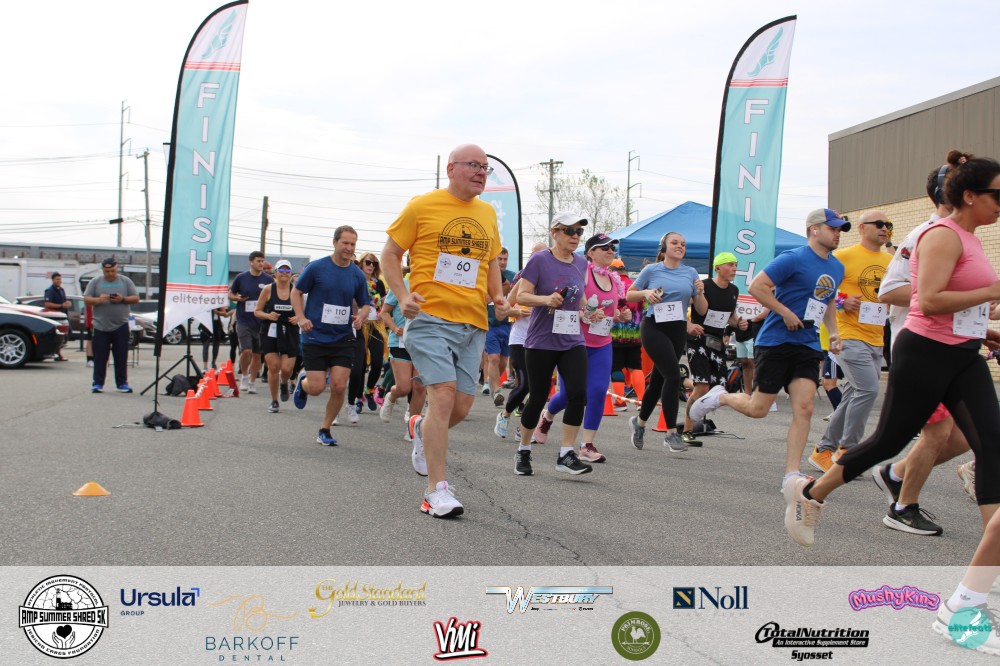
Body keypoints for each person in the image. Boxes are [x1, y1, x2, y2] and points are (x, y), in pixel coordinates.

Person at [783, 158, 1000, 551]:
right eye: (997, 195)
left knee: (991, 443)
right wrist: (992, 291)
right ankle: (811, 494)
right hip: (926, 353)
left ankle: (994, 551)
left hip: (964, 353)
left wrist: (983, 329)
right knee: (888, 440)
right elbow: (928, 301)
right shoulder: (940, 236)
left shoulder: (971, 238)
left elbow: (960, 301)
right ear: (969, 196)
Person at [381, 143, 509, 519]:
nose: (482, 172)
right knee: (442, 394)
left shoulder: (486, 212)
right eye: (474, 165)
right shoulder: (422, 205)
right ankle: (435, 492)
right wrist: (402, 295)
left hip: (473, 322)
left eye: (486, 167)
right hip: (430, 319)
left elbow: (490, 261)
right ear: (451, 169)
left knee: (461, 407)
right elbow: (390, 254)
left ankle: (421, 428)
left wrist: (498, 297)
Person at [689, 209, 847, 501]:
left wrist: (834, 332)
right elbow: (757, 286)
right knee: (758, 409)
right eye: (833, 228)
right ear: (814, 229)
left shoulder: (837, 267)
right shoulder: (793, 258)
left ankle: (791, 475)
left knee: (805, 408)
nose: (838, 234)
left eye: (840, 230)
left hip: (808, 344)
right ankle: (721, 397)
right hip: (776, 342)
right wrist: (784, 312)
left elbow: (827, 300)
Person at [871, 151, 976, 536]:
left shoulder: (962, 236)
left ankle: (895, 473)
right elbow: (889, 291)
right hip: (919, 346)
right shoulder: (924, 235)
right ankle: (902, 506)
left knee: (963, 436)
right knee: (936, 432)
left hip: (952, 348)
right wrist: (940, 292)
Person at [808, 211, 892, 472]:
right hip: (848, 335)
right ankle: (849, 451)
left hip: (876, 337)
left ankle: (823, 450)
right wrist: (844, 301)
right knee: (868, 390)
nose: (885, 229)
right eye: (879, 224)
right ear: (863, 228)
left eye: (888, 225)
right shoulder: (843, 257)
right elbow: (820, 288)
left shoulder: (890, 261)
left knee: (854, 392)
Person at [511, 213, 593, 476]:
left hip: (572, 339)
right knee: (537, 397)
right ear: (554, 232)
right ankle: (524, 450)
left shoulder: (582, 262)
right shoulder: (539, 260)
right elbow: (522, 295)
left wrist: (587, 311)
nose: (575, 236)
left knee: (578, 394)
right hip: (541, 340)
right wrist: (546, 299)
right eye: (569, 231)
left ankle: (566, 454)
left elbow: (579, 296)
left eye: (579, 232)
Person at [544, 233, 632, 463]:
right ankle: (547, 415)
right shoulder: (581, 274)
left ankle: (586, 445)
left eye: (612, 247)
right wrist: (586, 314)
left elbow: (613, 312)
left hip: (602, 343)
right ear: (591, 252)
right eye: (604, 247)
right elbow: (569, 302)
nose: (610, 251)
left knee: (598, 391)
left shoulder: (614, 279)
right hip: (576, 342)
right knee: (570, 395)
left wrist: (622, 316)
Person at [626, 231, 707, 452]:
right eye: (675, 243)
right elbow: (629, 295)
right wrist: (646, 293)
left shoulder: (691, 272)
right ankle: (671, 433)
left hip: (678, 329)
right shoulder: (652, 270)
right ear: (664, 247)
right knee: (673, 375)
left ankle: (639, 423)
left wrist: (700, 293)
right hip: (654, 327)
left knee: (659, 381)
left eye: (683, 244)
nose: (680, 246)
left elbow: (702, 310)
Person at [291, 227, 371, 446]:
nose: (349, 248)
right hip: (315, 336)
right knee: (317, 388)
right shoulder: (317, 268)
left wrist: (361, 316)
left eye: (353, 244)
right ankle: (304, 383)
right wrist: (301, 317)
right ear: (334, 242)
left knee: (339, 386)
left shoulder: (356, 274)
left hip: (343, 338)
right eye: (345, 243)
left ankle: (324, 429)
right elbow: (296, 292)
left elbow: (365, 304)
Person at [680, 252, 745, 444]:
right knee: (702, 386)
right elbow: (681, 306)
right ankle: (687, 430)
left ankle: (683, 383)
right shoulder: (704, 286)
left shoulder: (734, 290)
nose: (734, 268)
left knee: (718, 387)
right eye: (730, 265)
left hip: (717, 343)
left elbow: (730, 317)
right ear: (718, 268)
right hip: (698, 340)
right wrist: (688, 324)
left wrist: (739, 323)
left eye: (735, 265)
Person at [494, 243, 548, 441]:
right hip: (520, 339)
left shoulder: (553, 281)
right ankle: (505, 415)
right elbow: (505, 309)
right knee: (524, 384)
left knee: (538, 389)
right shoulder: (522, 280)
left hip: (543, 340)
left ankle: (524, 427)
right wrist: (517, 311)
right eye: (535, 255)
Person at [83, 257, 140, 393]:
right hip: (100, 326)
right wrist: (98, 300)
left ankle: (122, 383)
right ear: (102, 270)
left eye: (112, 271)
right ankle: (98, 383)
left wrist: (122, 299)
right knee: (100, 357)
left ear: (117, 268)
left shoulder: (125, 281)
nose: (110, 274)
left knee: (121, 356)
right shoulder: (95, 281)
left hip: (120, 325)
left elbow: (136, 298)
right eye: (107, 271)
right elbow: (86, 299)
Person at [379, 275, 427, 436]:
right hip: (400, 342)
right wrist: (394, 328)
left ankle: (412, 430)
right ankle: (392, 396)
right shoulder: (400, 284)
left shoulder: (434, 286)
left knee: (419, 387)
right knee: (404, 387)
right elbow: (384, 312)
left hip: (424, 343)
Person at [255, 259, 300, 414]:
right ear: (275, 272)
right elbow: (257, 311)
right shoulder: (268, 289)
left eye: (287, 270)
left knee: (287, 369)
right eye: (281, 270)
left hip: (290, 331)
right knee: (274, 367)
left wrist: (298, 318)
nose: (284, 273)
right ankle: (274, 401)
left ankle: (284, 382)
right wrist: (268, 315)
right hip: (271, 330)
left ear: (291, 273)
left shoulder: (296, 291)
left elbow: (303, 312)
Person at [347, 252, 387, 418]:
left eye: (374, 264)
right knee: (360, 366)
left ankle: (369, 390)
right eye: (368, 262)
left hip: (375, 325)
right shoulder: (354, 281)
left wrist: (383, 312)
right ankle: (358, 399)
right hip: (358, 325)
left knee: (377, 362)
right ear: (361, 263)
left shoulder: (379, 283)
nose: (371, 266)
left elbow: (385, 302)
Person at [228, 251, 274, 394]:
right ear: (251, 262)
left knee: (257, 354)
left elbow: (274, 296)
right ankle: (244, 376)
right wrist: (237, 298)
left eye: (262, 261)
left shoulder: (268, 279)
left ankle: (252, 381)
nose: (261, 263)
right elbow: (230, 294)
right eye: (258, 261)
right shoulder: (241, 278)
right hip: (244, 320)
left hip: (261, 322)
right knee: (246, 350)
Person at [609, 258, 644, 409]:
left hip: (615, 334)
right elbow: (643, 308)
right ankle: (641, 401)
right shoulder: (635, 287)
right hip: (634, 334)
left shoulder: (612, 285)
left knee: (616, 367)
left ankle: (620, 402)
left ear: (612, 270)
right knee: (635, 367)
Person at [484, 247, 515, 406]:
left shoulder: (512, 277)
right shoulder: (486, 275)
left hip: (507, 325)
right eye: (499, 259)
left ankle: (492, 381)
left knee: (503, 361)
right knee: (493, 358)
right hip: (490, 324)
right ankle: (496, 391)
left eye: (505, 259)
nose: (502, 262)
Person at [43, 272, 71, 361]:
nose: (59, 281)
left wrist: (67, 304)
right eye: (57, 279)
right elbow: (47, 304)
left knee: (65, 335)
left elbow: (64, 302)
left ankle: (57, 353)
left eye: (60, 279)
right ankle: (56, 354)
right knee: (57, 336)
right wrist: (61, 305)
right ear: (53, 280)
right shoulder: (50, 291)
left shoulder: (61, 290)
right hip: (55, 317)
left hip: (63, 316)